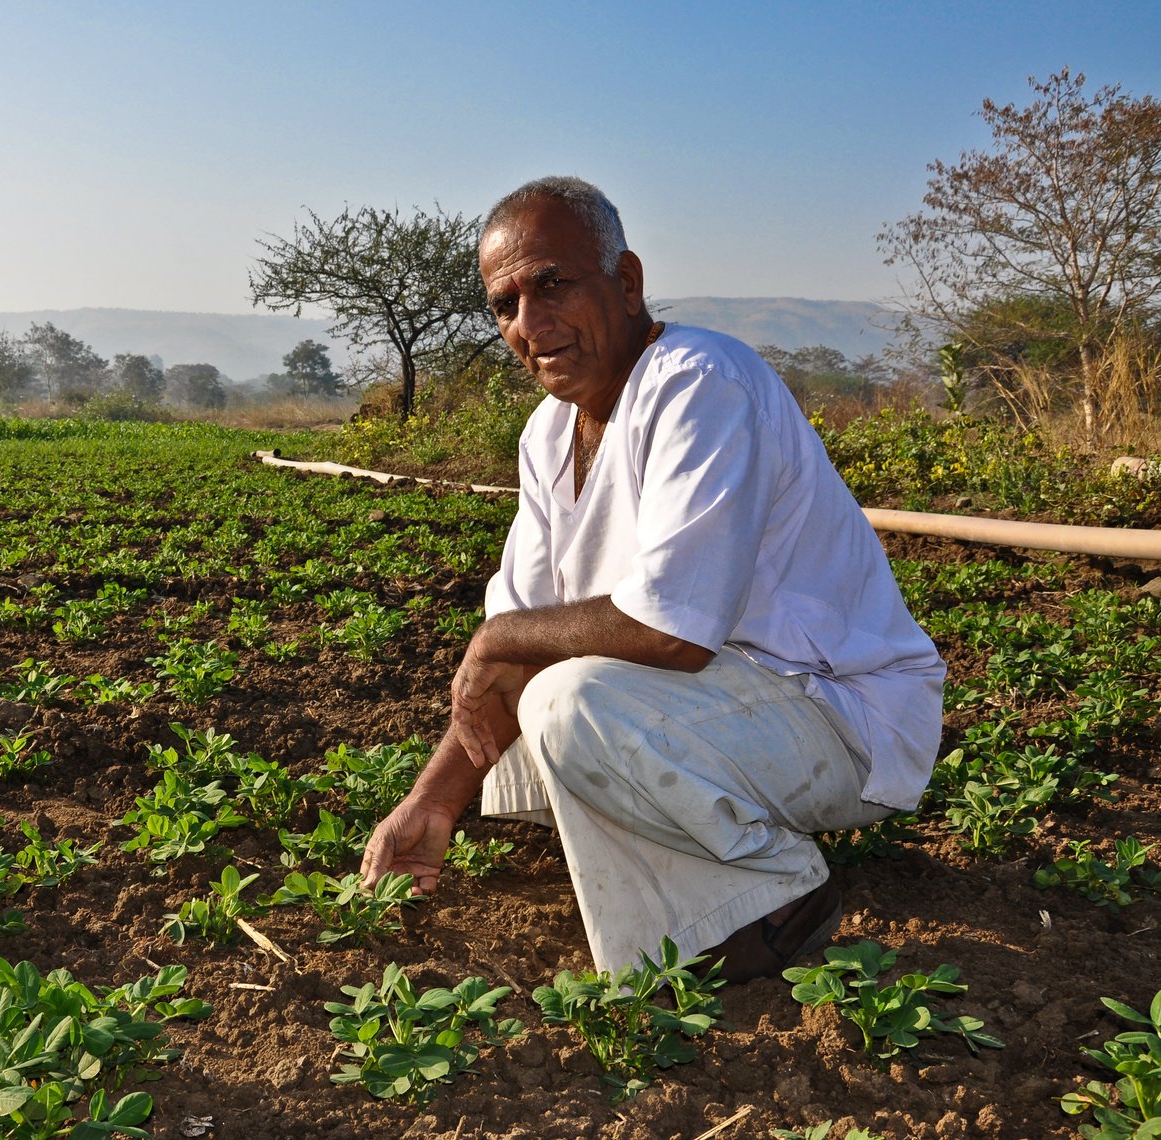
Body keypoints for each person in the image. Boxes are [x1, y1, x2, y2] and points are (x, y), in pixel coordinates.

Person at [360, 176, 944, 982]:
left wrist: (498, 636)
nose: (531, 324)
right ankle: (690, 859)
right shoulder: (547, 432)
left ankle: (772, 888)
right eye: (505, 305)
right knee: (536, 726)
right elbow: (518, 648)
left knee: (567, 704)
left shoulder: (698, 381)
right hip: (732, 712)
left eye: (553, 284)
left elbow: (673, 631)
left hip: (836, 716)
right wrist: (430, 804)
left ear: (626, 282)